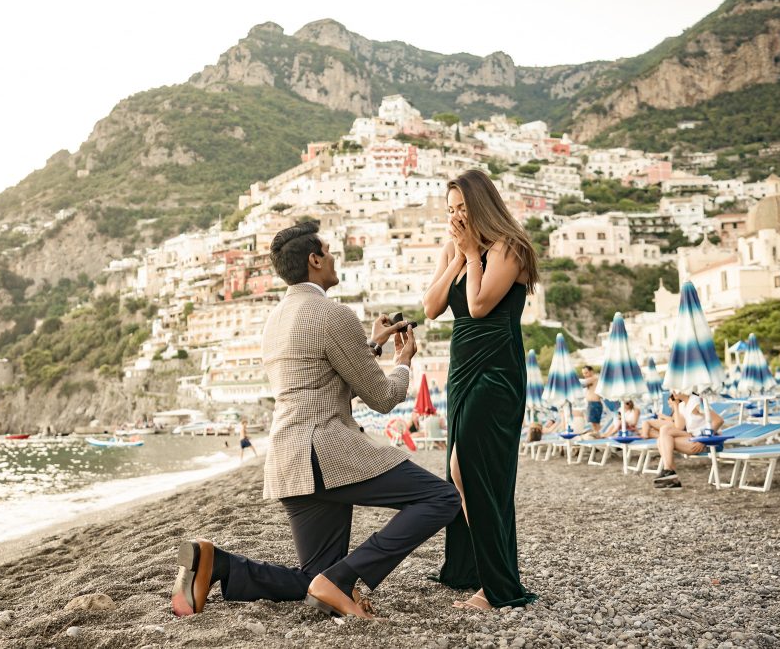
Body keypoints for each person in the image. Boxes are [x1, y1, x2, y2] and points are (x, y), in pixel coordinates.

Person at [171, 221, 460, 619]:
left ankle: (219, 564)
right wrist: (404, 364)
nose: (335, 256)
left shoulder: (275, 320)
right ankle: (346, 578)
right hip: (326, 452)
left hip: (289, 460)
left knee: (314, 578)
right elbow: (382, 397)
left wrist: (370, 346)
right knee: (441, 498)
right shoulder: (332, 313)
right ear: (314, 259)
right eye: (329, 249)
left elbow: (320, 378)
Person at [422, 169, 539, 611]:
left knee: (473, 470)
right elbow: (432, 308)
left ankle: (497, 585)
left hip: (496, 368)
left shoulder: (510, 247)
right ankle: (475, 570)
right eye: (450, 210)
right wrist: (457, 256)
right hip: (461, 366)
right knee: (459, 467)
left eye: (462, 208)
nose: (455, 217)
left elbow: (479, 305)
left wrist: (472, 254)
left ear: (481, 206)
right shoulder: (455, 248)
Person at [654, 391, 723, 490]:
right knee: (663, 434)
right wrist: (676, 406)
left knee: (662, 440)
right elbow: (679, 426)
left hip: (710, 441)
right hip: (694, 437)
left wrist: (704, 440)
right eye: (672, 390)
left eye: (676, 388)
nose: (673, 392)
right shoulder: (682, 405)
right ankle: (669, 472)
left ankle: (671, 476)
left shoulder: (697, 402)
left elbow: (718, 420)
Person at [581, 366, 604, 436]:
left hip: (595, 404)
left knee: (596, 424)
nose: (585, 375)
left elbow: (582, 383)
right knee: (594, 424)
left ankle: (601, 437)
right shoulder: (590, 380)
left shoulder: (594, 378)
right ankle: (600, 437)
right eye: (583, 373)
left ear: (591, 371)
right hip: (592, 404)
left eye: (586, 373)